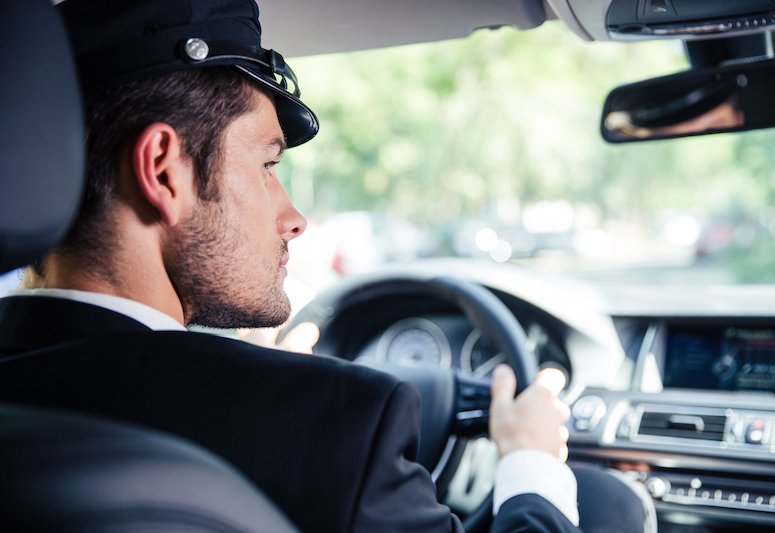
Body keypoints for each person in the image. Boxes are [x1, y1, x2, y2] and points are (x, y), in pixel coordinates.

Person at [0, 0, 652, 532]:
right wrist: (530, 462)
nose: (294, 218)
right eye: (267, 165)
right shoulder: (339, 425)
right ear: (163, 169)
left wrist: (261, 381)